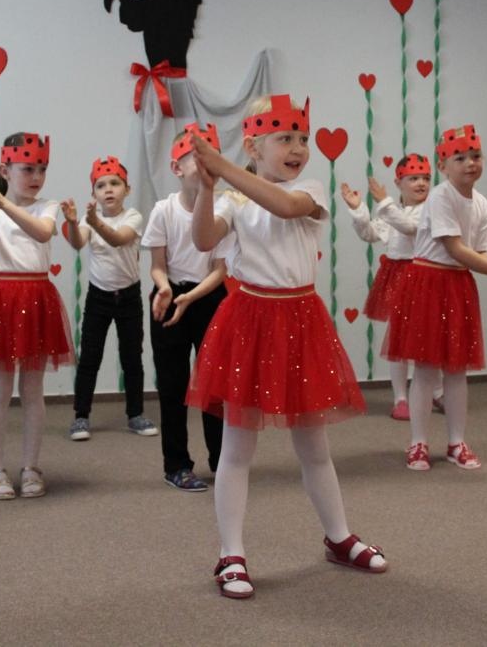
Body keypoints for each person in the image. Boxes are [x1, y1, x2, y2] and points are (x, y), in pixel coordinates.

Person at [187, 94, 387, 599]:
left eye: (303, 138)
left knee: (314, 447)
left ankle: (338, 537)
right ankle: (231, 553)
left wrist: (224, 168)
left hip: (300, 323)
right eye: (285, 139)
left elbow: (283, 205)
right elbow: (205, 239)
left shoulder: (309, 190)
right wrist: (208, 187)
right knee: (236, 449)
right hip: (250, 324)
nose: (298, 148)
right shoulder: (233, 199)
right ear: (255, 147)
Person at [385, 125, 487, 472]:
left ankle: (456, 442)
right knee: (426, 369)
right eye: (460, 158)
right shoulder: (440, 197)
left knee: (456, 370)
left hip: (457, 285)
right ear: (443, 165)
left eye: (476, 156)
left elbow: (478, 252)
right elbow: (455, 248)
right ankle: (418, 442)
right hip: (428, 284)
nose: (470, 163)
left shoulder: (482, 203)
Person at [0, 133, 74, 500]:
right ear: (5, 169)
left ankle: (31, 467)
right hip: (2, 297)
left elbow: (42, 233)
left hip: (38, 296)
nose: (37, 176)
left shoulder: (47, 206)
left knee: (32, 389)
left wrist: (3, 204)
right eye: (28, 169)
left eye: (42, 169)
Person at [142, 124, 229, 490]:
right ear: (176, 168)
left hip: (209, 298)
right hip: (169, 298)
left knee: (215, 387)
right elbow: (157, 266)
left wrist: (192, 297)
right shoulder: (163, 211)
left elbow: (221, 269)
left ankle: (223, 461)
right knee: (173, 385)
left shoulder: (223, 210)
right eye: (196, 156)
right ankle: (176, 464)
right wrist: (164, 287)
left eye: (211, 155)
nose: (206, 161)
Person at [339, 153, 442, 421]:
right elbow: (370, 234)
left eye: (426, 178)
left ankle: (436, 390)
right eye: (414, 178)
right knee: (398, 339)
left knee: (427, 337)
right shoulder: (390, 210)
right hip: (398, 276)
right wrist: (359, 210)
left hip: (423, 276)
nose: (421, 183)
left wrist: (384, 203)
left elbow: (409, 227)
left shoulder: (431, 209)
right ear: (399, 183)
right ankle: (401, 398)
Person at [61, 156, 157, 440]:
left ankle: (135, 414)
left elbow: (118, 238)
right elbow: (78, 242)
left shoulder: (133, 217)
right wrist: (72, 223)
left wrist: (94, 221)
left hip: (129, 297)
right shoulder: (88, 220)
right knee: (90, 357)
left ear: (127, 189)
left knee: (132, 357)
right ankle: (81, 416)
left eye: (115, 183)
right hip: (98, 298)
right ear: (94, 193)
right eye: (101, 185)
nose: (108, 189)